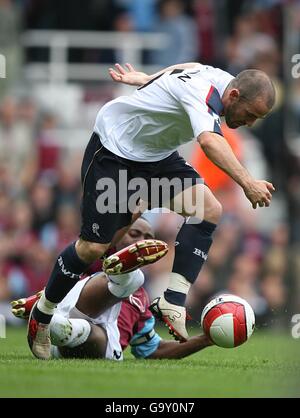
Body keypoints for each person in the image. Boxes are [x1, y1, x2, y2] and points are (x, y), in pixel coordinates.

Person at [29, 60, 276, 360]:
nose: (250, 123)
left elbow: (186, 66)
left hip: (156, 158)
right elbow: (210, 142)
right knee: (94, 247)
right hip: (115, 150)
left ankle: (172, 300)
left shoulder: (222, 80)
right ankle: (42, 315)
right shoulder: (203, 94)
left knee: (208, 208)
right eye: (250, 115)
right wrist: (248, 182)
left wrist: (150, 79)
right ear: (234, 96)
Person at [12, 218, 212, 360]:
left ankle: (51, 322)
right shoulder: (89, 264)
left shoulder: (142, 300)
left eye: (148, 237)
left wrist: (205, 339)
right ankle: (120, 275)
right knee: (126, 278)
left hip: (89, 343)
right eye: (134, 234)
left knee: (102, 334)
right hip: (81, 303)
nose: (141, 240)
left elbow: (153, 349)